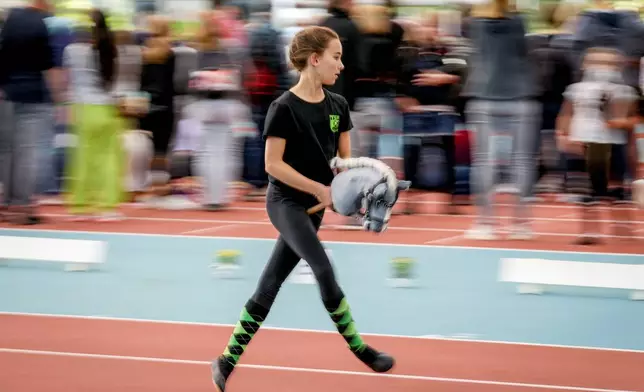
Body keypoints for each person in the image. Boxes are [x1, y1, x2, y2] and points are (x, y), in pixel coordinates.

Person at [210, 25, 394, 392]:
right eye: (336, 57)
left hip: (317, 204)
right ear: (315, 59)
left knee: (269, 285)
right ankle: (360, 349)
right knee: (323, 267)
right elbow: (272, 165)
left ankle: (226, 359)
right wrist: (319, 189)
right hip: (284, 202)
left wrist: (374, 180)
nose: (341, 65)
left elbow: (343, 165)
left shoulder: (339, 106)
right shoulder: (283, 108)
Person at [63, 9, 125, 221]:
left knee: (82, 159)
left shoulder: (71, 50)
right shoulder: (110, 49)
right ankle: (107, 207)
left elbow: (68, 81)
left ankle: (80, 206)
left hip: (83, 109)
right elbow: (113, 82)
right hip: (107, 109)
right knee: (109, 160)